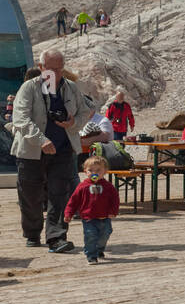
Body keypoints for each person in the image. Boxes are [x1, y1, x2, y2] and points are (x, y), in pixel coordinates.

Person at [12, 50, 86, 253]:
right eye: (52, 69)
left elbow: (86, 111)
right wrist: (41, 140)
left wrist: (74, 122)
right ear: (41, 67)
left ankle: (56, 236)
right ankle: (33, 233)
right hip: (31, 151)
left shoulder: (70, 88)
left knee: (59, 194)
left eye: (60, 68)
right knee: (30, 194)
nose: (57, 73)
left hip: (62, 150)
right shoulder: (29, 87)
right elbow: (20, 119)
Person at [63, 154, 119, 264]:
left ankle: (99, 249)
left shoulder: (108, 186)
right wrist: (68, 213)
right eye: (91, 170)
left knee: (105, 233)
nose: (94, 173)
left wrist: (113, 211)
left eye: (98, 170)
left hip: (104, 217)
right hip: (89, 218)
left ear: (104, 171)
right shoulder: (82, 186)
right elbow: (73, 201)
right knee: (90, 236)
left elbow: (115, 199)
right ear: (85, 172)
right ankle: (91, 255)